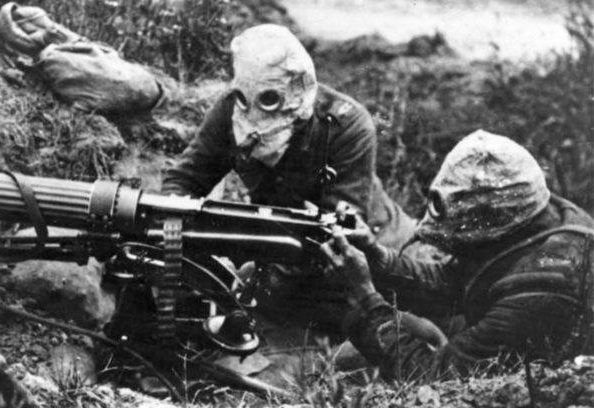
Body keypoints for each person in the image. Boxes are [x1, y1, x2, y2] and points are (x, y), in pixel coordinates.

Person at [161, 24, 416, 330]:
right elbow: (185, 179)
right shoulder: (230, 112)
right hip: (282, 247)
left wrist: (251, 282)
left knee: (383, 336)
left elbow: (336, 237)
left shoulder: (347, 125)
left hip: (369, 252)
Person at [321, 130, 594, 381]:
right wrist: (379, 260)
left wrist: (366, 299)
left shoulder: (544, 288)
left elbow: (434, 377)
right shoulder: (534, 216)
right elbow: (455, 280)